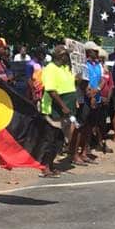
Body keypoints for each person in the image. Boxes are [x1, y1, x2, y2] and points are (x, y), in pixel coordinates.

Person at [39, 45, 76, 177]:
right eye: (67, 55)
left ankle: (51, 163)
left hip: (65, 110)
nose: (68, 58)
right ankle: (45, 166)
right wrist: (63, 106)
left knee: (59, 140)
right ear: (61, 56)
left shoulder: (65, 68)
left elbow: (70, 85)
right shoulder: (50, 69)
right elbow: (51, 90)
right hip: (53, 109)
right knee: (50, 139)